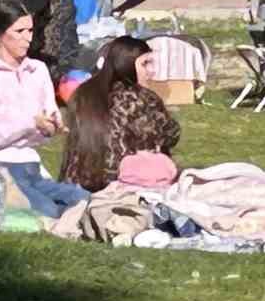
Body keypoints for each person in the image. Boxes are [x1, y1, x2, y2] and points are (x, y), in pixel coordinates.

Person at [0, 0, 91, 218]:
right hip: (1, 167)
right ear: (0, 34)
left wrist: (52, 126)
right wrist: (30, 123)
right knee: (48, 212)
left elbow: (47, 121)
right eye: (20, 31)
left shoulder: (38, 70)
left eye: (30, 30)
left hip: (32, 166)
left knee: (84, 199)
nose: (28, 38)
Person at [59, 36, 181, 192]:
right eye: (145, 64)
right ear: (126, 64)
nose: (152, 71)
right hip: (122, 186)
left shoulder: (83, 93)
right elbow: (171, 134)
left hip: (75, 184)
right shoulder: (138, 98)